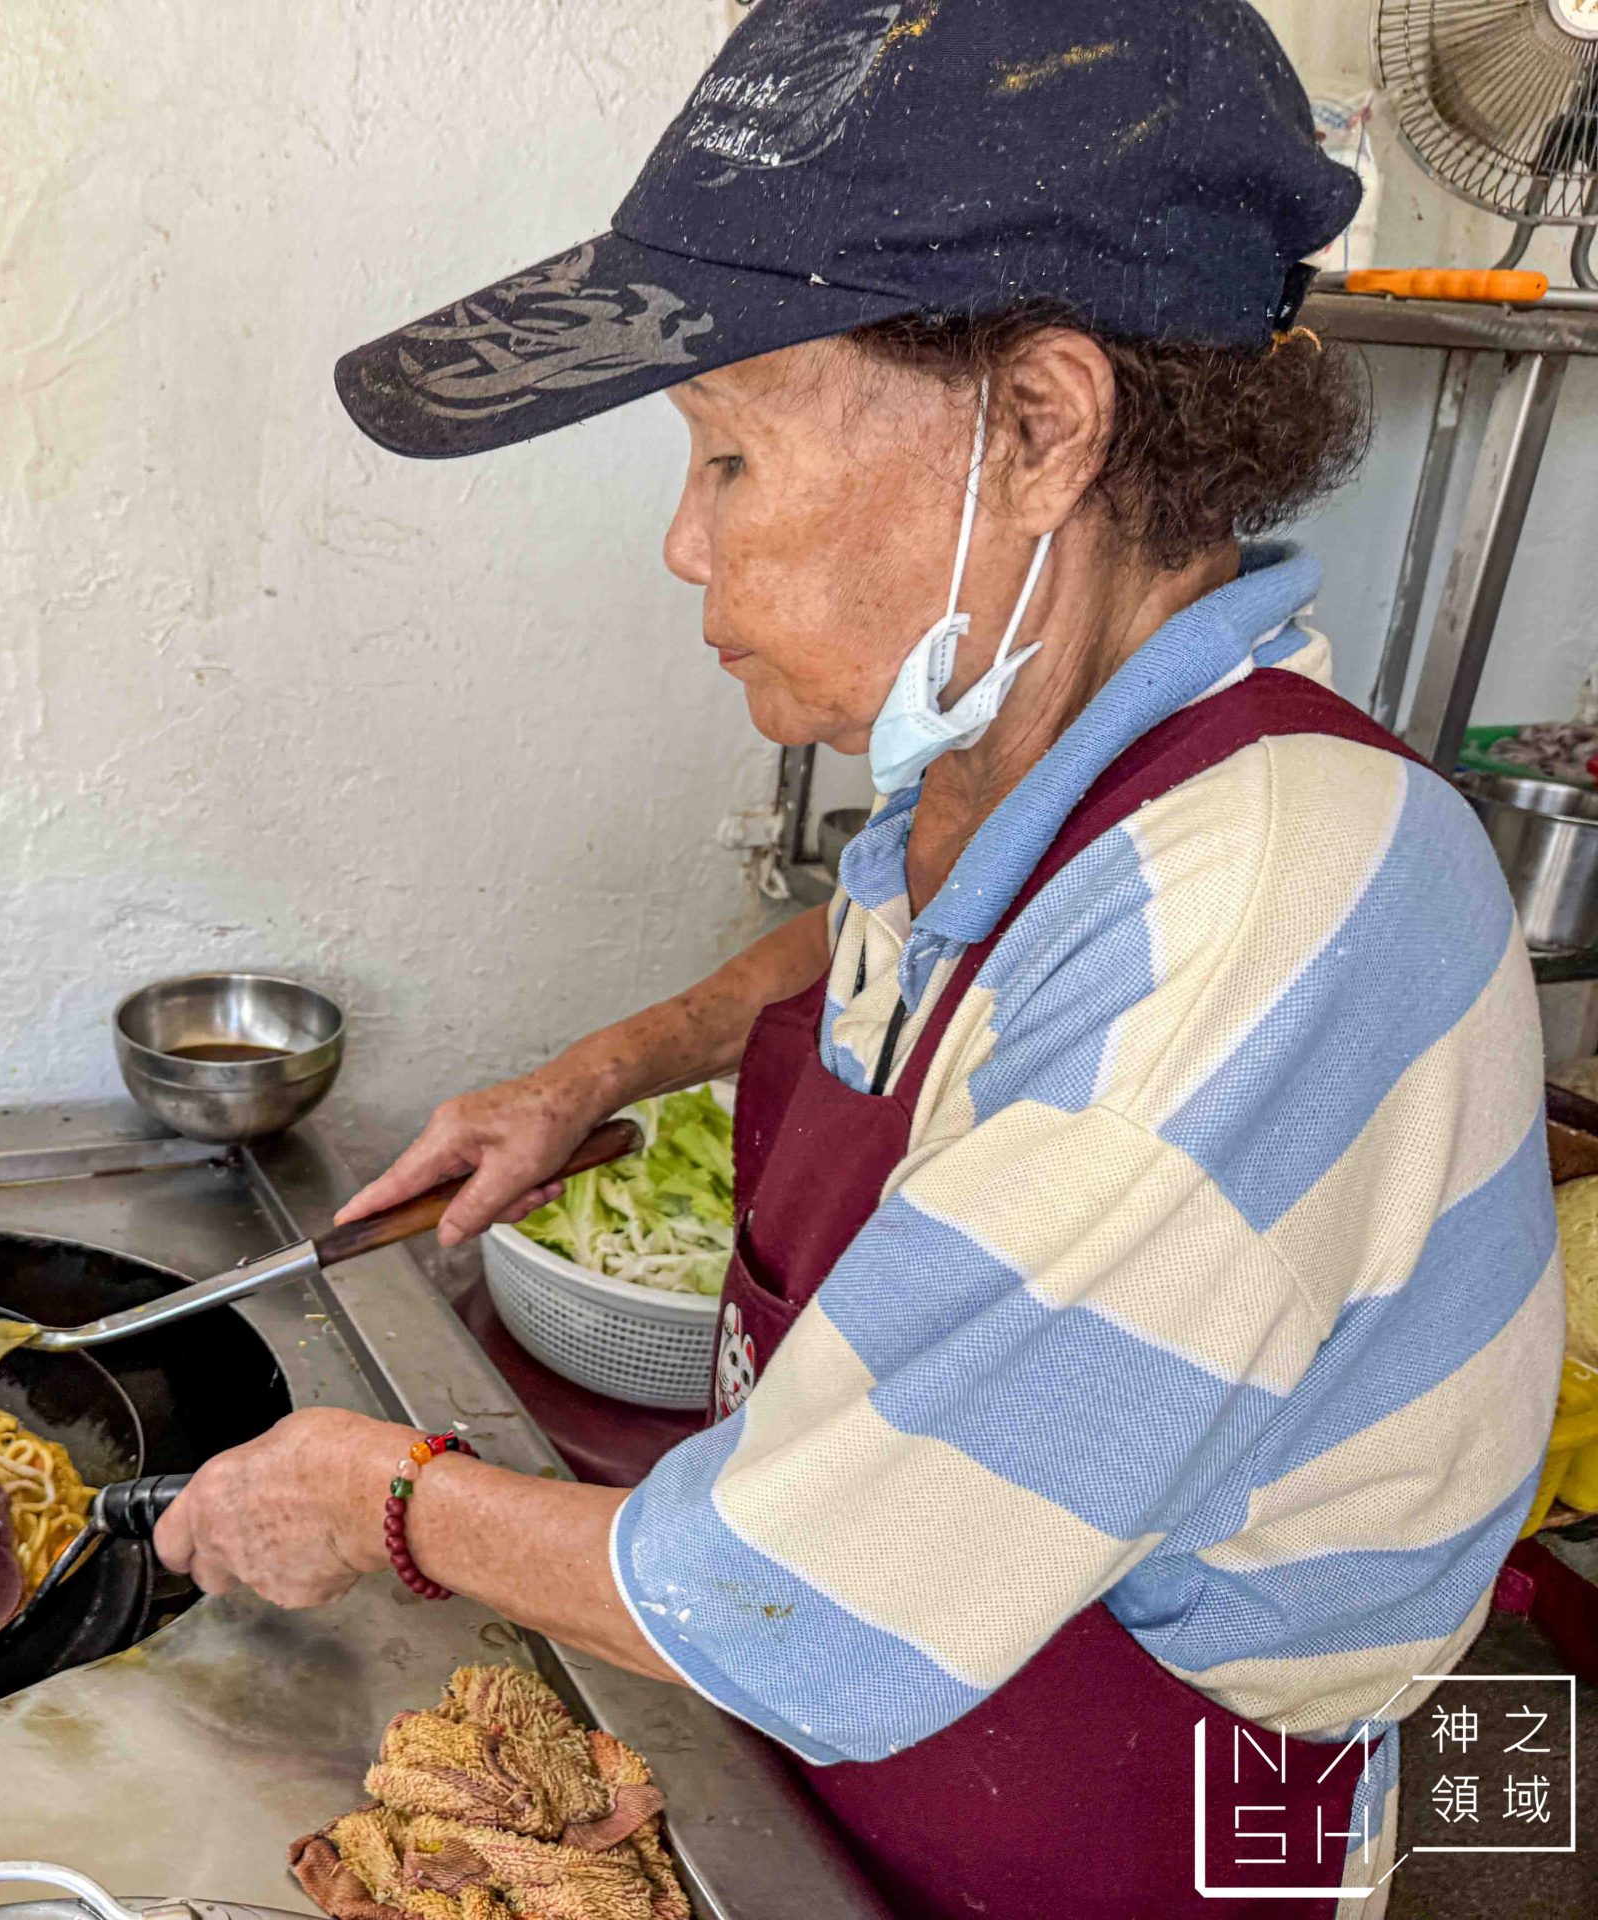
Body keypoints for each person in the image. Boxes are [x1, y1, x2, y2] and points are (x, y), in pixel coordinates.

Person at [152, 5, 1564, 1918]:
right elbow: (906, 929)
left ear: (1046, 425)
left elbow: (797, 1600)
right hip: (911, 1736)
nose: (680, 542)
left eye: (729, 457)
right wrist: (612, 1066)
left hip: (1166, 1814)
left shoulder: (1274, 913)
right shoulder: (1046, 771)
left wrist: (372, 1497)